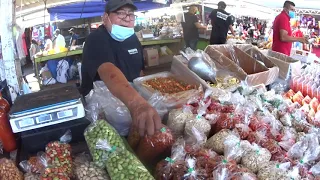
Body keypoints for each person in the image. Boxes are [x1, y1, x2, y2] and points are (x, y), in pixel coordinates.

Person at [81, 0, 162, 136]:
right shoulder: (96, 39)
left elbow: (139, 73)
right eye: (121, 13)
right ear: (105, 17)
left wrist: (145, 96)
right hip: (104, 113)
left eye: (131, 14)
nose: (127, 18)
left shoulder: (132, 38)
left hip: (130, 105)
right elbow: (109, 72)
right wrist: (138, 104)